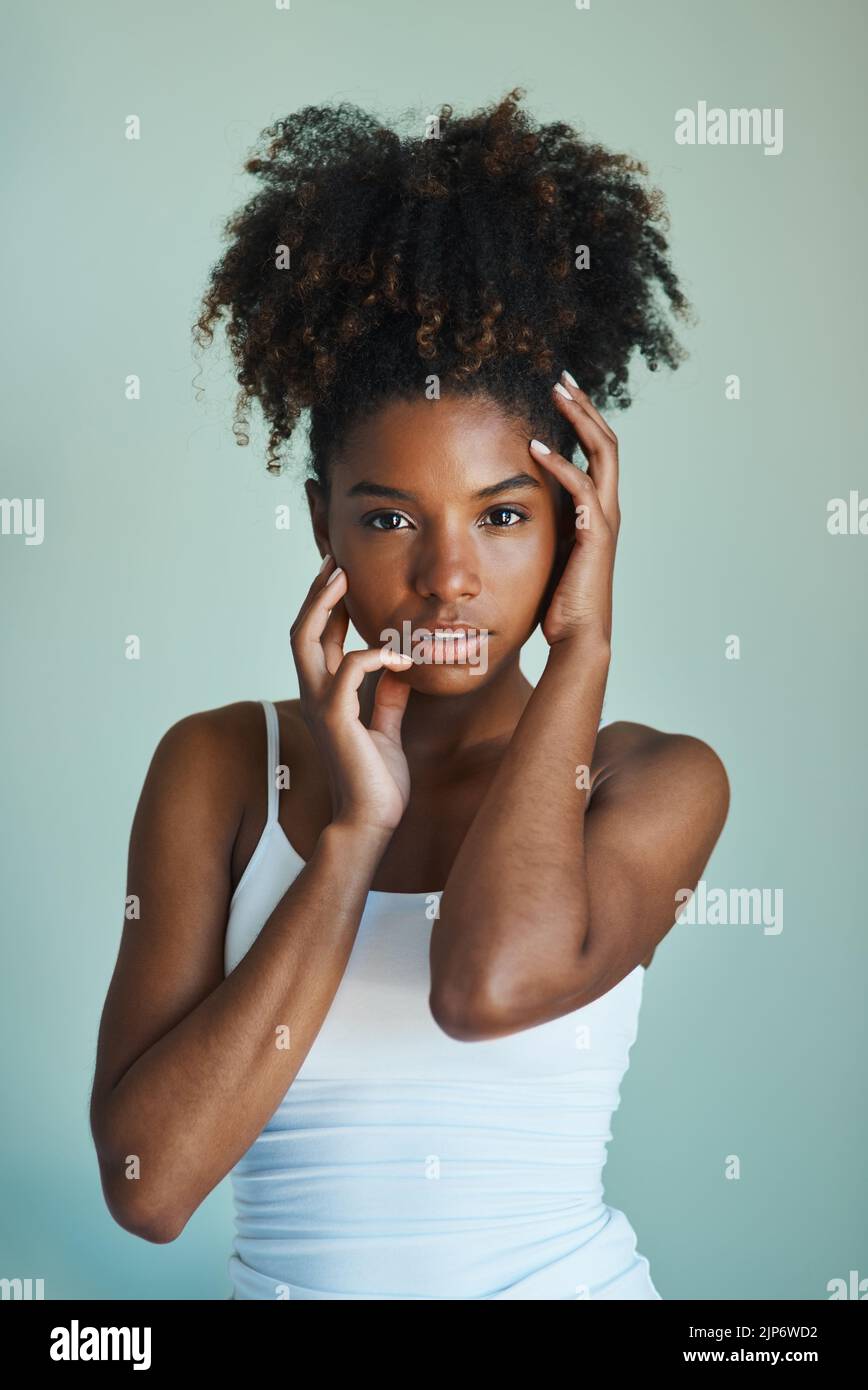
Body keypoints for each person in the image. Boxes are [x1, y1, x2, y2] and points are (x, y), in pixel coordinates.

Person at [89, 88, 730, 1299]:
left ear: (572, 526)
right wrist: (347, 840)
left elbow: (485, 983)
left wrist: (580, 652)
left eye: (501, 517)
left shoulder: (658, 781)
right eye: (389, 518)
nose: (446, 580)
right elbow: (149, 1184)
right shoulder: (222, 767)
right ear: (319, 521)